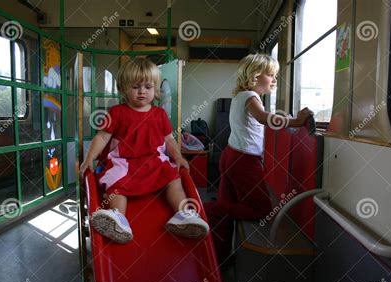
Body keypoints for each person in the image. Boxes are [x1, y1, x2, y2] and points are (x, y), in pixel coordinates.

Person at [80, 58, 209, 244]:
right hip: (124, 162)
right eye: (135, 87)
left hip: (154, 161)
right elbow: (101, 137)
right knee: (116, 184)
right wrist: (89, 158)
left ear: (155, 89)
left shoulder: (159, 114)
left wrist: (178, 157)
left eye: (148, 87)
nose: (142, 91)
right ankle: (119, 219)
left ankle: (183, 214)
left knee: (173, 178)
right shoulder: (116, 112)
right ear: (124, 88)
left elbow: (169, 140)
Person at [204, 53, 313, 264]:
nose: (274, 80)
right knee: (261, 209)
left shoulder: (240, 96)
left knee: (227, 209)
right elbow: (263, 118)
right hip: (243, 161)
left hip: (231, 155)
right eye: (270, 75)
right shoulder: (250, 97)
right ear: (255, 76)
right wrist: (296, 121)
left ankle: (220, 258)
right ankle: (208, 208)